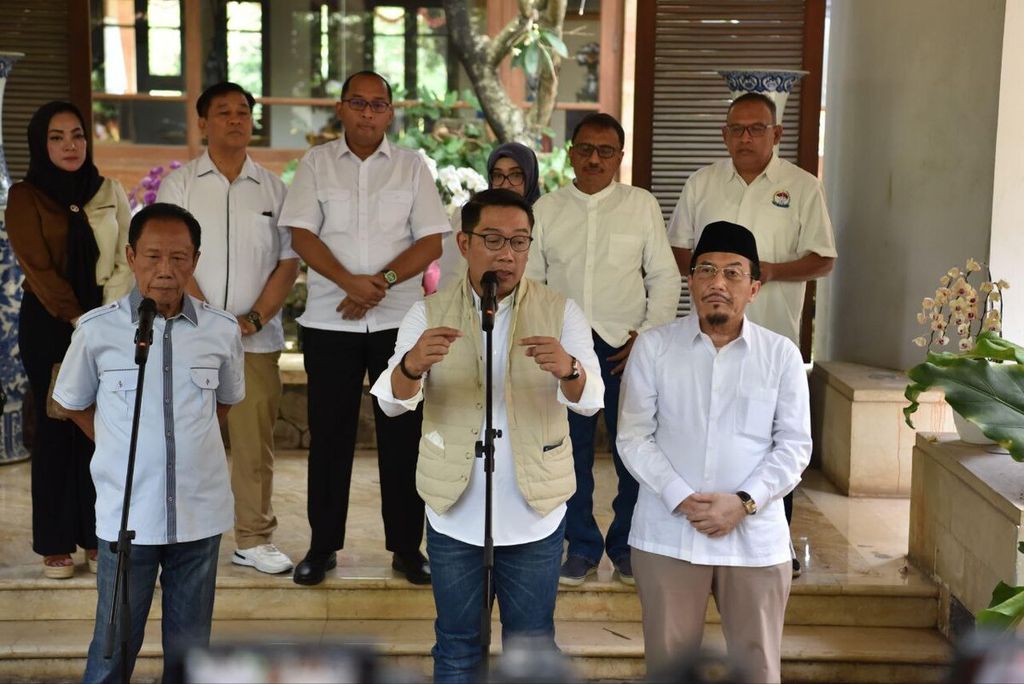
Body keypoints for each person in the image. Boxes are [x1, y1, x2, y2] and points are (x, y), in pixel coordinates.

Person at [370, 189, 604, 683]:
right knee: (457, 647)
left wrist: (570, 369)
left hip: (532, 512)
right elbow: (391, 403)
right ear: (463, 242)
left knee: (532, 645)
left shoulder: (561, 311)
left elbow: (591, 399)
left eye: (519, 242)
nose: (507, 253)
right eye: (493, 239)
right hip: (455, 510)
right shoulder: (426, 313)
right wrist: (412, 365)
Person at [52, 202, 245, 682]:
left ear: (195, 260)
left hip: (198, 517)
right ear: (132, 256)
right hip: (127, 516)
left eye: (179, 258)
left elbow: (224, 403)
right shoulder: (97, 331)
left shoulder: (220, 330)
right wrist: (119, 447)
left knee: (189, 653)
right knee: (112, 650)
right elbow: (72, 403)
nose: (166, 270)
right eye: (154, 257)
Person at [617, 221, 812, 683]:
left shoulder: (781, 355)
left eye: (732, 273)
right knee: (669, 669)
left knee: (757, 668)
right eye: (705, 270)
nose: (717, 283)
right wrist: (683, 497)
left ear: (754, 288)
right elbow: (633, 436)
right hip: (668, 534)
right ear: (691, 281)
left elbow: (794, 446)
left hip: (755, 539)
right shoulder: (654, 348)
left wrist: (743, 502)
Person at [279, 70, 450, 586]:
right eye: (359, 102)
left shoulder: (411, 167)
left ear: (391, 112)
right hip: (331, 322)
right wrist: (347, 283)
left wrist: (379, 281)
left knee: (402, 436)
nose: (369, 112)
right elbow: (301, 234)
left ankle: (405, 547)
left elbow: (432, 242)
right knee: (330, 438)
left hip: (397, 323)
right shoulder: (315, 164)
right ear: (341, 108)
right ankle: (321, 546)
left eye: (379, 104)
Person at [666, 92, 837, 575]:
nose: (745, 137)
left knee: (774, 440)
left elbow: (824, 258)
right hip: (708, 334)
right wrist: (716, 277)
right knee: (708, 432)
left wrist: (760, 274)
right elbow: (678, 248)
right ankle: (697, 529)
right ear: (724, 134)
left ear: (776, 134)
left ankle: (773, 544)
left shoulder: (802, 186)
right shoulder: (702, 182)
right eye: (736, 129)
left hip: (772, 335)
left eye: (756, 128)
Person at [525, 112, 680, 586]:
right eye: (586, 149)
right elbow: (531, 280)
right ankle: (582, 546)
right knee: (569, 451)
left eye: (606, 151)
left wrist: (647, 337)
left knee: (631, 450)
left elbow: (665, 277)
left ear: (619, 157)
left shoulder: (641, 205)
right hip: (566, 350)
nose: (594, 159)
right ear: (570, 151)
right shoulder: (547, 209)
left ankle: (628, 545)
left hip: (625, 348)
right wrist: (550, 342)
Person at [157, 81, 298, 575]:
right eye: (223, 112)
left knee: (253, 442)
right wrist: (212, 319)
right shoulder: (180, 186)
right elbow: (172, 257)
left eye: (243, 112)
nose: (235, 120)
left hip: (255, 340)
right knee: (184, 437)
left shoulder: (274, 188)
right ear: (202, 122)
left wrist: (254, 318)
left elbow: (287, 262)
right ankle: (182, 536)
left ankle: (254, 538)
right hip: (189, 333)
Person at [6, 100, 134, 579]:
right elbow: (37, 269)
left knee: (101, 429)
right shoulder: (26, 196)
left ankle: (97, 534)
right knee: (59, 426)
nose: (70, 145)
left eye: (77, 135)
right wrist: (82, 319)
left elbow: (126, 255)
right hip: (53, 324)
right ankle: (56, 542)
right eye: (57, 137)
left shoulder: (108, 190)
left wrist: (108, 316)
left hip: (105, 322)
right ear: (41, 143)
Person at [435, 142, 541, 289]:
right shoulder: (471, 215)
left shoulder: (543, 218)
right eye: (498, 175)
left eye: (515, 175)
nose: (506, 184)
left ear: (530, 177)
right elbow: (451, 277)